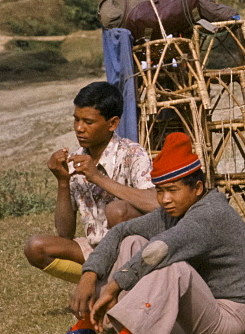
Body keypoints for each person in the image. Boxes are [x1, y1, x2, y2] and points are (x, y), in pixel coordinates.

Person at [29, 133, 245, 334]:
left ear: (197, 188)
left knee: (172, 267)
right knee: (132, 240)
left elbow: (160, 249)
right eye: (160, 191)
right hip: (189, 311)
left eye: (173, 191)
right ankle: (85, 331)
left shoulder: (209, 215)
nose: (165, 200)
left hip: (224, 316)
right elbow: (119, 232)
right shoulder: (176, 210)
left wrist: (113, 287)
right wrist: (89, 274)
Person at [24, 82, 158, 284]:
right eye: (76, 120)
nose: (79, 128)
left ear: (112, 124)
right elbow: (65, 232)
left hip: (132, 250)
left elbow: (154, 203)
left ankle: (119, 282)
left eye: (88, 122)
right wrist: (62, 181)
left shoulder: (132, 153)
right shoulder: (76, 159)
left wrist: (97, 177)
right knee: (35, 247)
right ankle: (101, 281)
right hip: (95, 249)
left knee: (117, 210)